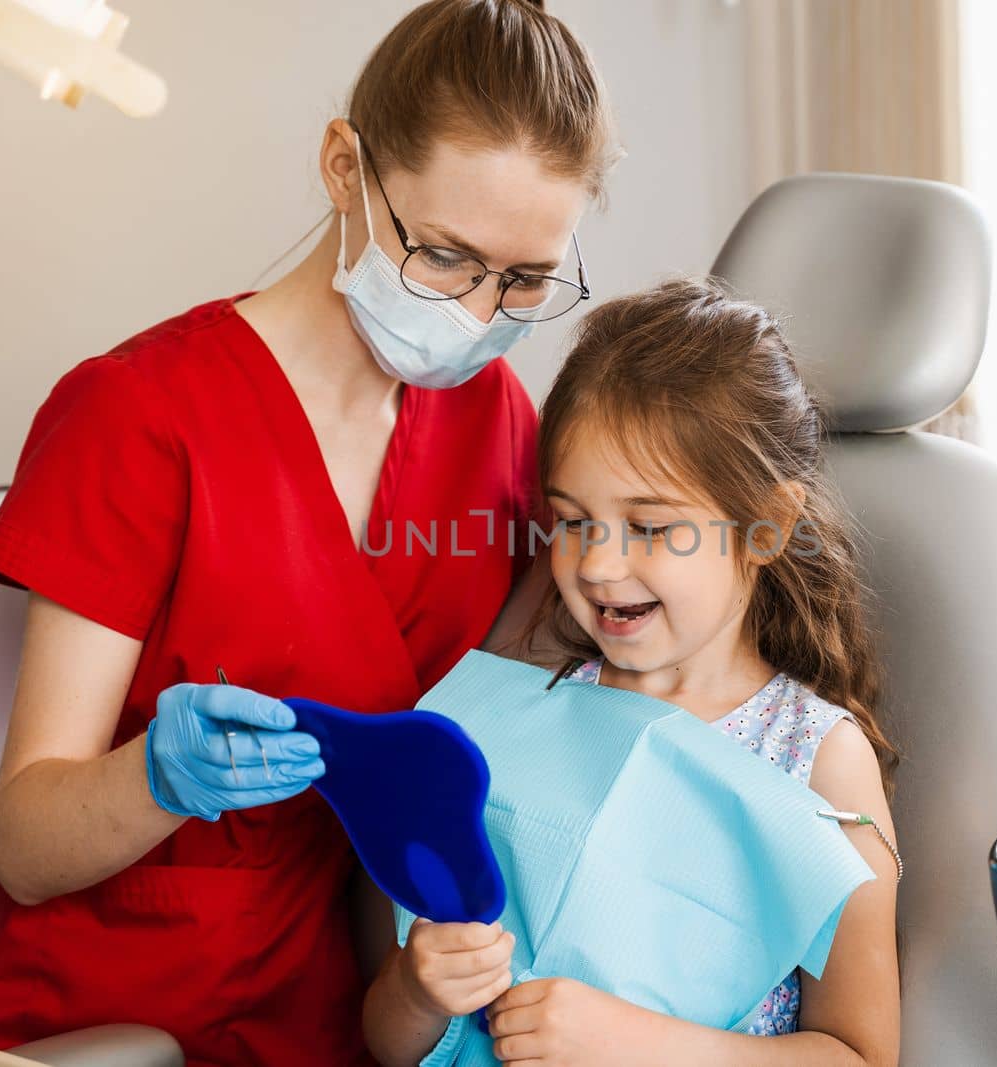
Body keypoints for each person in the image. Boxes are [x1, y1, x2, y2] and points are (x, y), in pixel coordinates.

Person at [0, 3, 619, 1063]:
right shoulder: (137, 417)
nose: (478, 312)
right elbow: (24, 847)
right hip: (112, 1012)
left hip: (360, 1009)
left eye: (525, 280)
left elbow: (516, 712)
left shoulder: (496, 421)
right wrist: (155, 778)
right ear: (343, 168)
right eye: (443, 255)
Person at [363, 278, 902, 1066]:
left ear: (769, 526)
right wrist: (417, 988)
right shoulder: (529, 710)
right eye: (574, 521)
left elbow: (862, 1055)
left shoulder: (817, 761)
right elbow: (389, 1041)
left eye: (650, 526)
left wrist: (636, 1044)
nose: (601, 564)